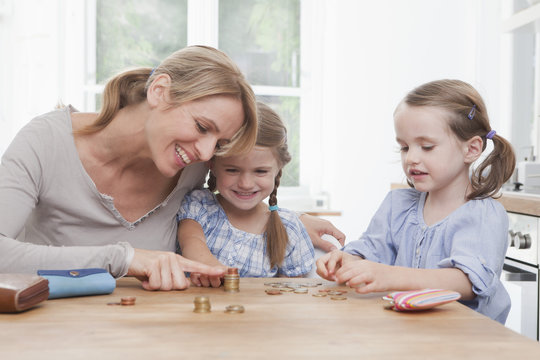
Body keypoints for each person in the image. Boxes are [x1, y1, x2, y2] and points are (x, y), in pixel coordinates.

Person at [0, 45, 343, 291]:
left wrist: (291, 219)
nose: (207, 152)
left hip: (159, 335)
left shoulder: (191, 166)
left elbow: (236, 189)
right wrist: (125, 259)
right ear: (160, 91)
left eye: (219, 143)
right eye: (202, 127)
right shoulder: (45, 141)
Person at [317, 79, 515, 324]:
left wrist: (390, 276)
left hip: (467, 344)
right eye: (404, 147)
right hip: (410, 335)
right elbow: (372, 251)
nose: (411, 158)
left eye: (427, 147)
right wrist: (348, 261)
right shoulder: (397, 205)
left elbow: (467, 282)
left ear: (471, 149)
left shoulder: (483, 214)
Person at [177, 102, 315, 287]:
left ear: (278, 168)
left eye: (260, 171)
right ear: (212, 164)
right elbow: (191, 241)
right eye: (232, 170)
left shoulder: (289, 228)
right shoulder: (199, 206)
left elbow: (294, 293)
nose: (245, 184)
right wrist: (209, 266)